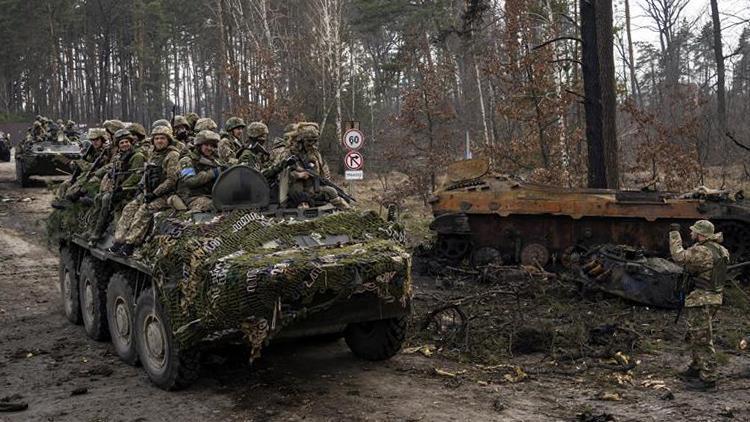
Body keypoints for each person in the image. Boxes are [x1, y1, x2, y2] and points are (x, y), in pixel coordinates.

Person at [669, 220, 730, 390]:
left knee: (702, 339)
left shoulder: (702, 251)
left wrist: (674, 234)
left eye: (694, 231)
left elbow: (679, 257)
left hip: (702, 299)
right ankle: (696, 367)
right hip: (714, 297)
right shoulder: (721, 250)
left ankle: (708, 377)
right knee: (697, 334)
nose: (691, 234)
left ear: (701, 234)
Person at [109, 126, 180, 256]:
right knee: (129, 208)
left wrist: (155, 194)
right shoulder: (154, 154)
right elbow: (146, 174)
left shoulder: (172, 155)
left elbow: (171, 180)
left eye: (162, 138)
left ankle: (130, 244)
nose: (159, 141)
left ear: (168, 140)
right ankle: (119, 240)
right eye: (157, 138)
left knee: (144, 210)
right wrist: (141, 189)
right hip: (149, 191)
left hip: (166, 195)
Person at [88, 129, 145, 242]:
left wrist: (122, 188)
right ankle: (92, 228)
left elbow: (136, 176)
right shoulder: (120, 156)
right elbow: (113, 169)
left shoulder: (137, 156)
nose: (124, 145)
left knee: (106, 199)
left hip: (130, 190)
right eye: (121, 143)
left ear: (131, 143)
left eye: (126, 142)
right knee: (99, 197)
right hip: (118, 188)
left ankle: (98, 232)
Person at [286, 124, 349, 209]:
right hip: (297, 190)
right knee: (331, 191)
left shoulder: (315, 153)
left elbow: (323, 171)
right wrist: (300, 175)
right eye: (308, 141)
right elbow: (284, 173)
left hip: (313, 186)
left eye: (314, 141)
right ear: (301, 140)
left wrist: (323, 179)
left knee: (334, 191)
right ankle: (346, 210)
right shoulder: (291, 153)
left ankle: (348, 210)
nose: (311, 144)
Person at [177, 130, 225, 212]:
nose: (209, 148)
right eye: (206, 145)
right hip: (191, 197)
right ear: (199, 146)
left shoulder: (215, 161)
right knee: (213, 206)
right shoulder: (187, 160)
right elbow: (190, 181)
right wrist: (212, 173)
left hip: (211, 195)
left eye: (212, 146)